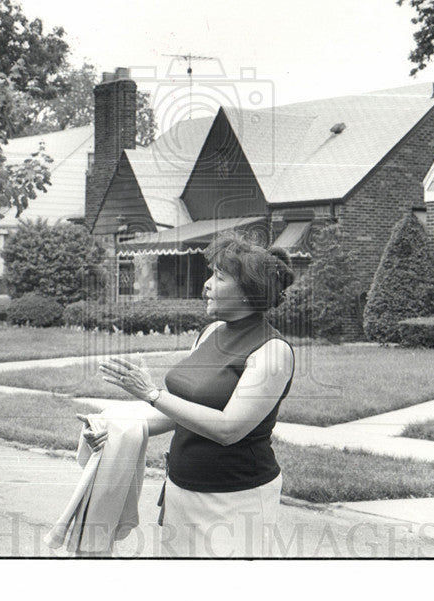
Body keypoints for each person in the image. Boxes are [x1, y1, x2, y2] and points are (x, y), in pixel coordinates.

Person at [96, 232, 296, 557]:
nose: (206, 284)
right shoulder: (212, 332)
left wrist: (151, 393)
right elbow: (182, 413)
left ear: (248, 292)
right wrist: (114, 429)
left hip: (235, 498)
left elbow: (229, 429)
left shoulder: (272, 352)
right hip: (182, 490)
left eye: (218, 277)